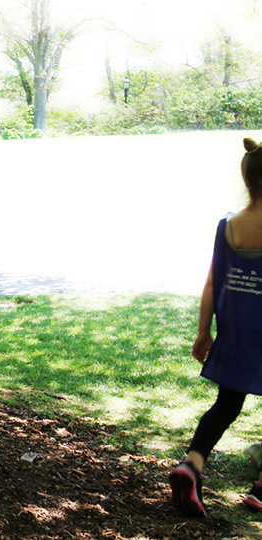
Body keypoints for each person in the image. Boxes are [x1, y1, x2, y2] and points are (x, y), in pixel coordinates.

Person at [169, 137, 262, 517]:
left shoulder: (229, 226)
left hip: (237, 334)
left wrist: (203, 332)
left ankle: (191, 464)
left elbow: (212, 283)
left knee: (226, 405)